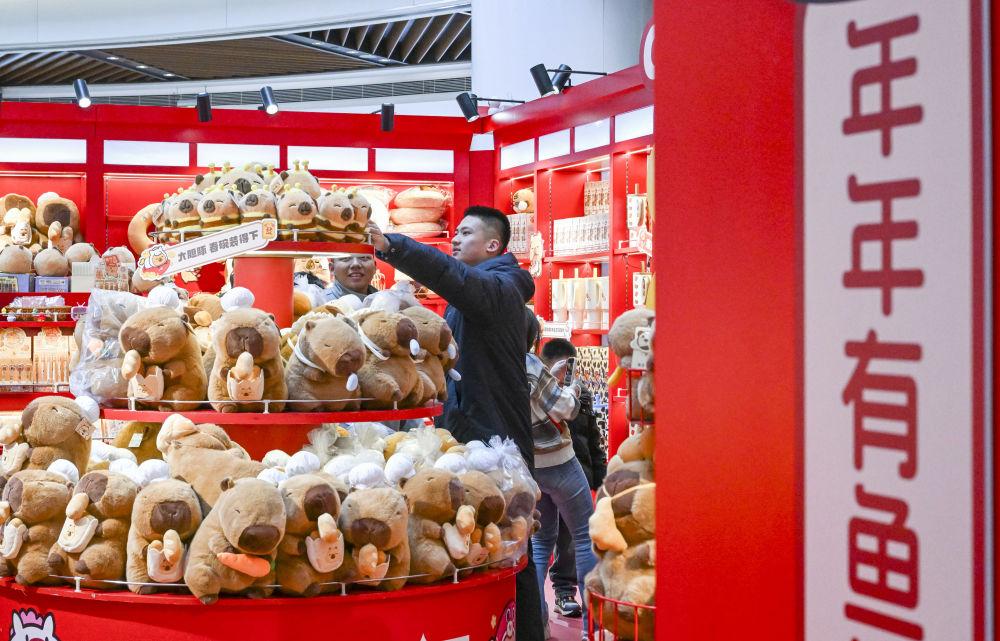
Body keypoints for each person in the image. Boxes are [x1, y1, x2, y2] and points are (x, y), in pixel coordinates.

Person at [368, 206, 544, 641]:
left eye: (466, 233)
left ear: (493, 245)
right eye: (456, 232)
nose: (456, 239)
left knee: (511, 544)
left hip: (495, 439)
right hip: (473, 429)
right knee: (488, 541)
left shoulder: (499, 289)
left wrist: (393, 245)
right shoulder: (486, 291)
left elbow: (454, 277)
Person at [524, 313, 598, 638]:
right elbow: (566, 407)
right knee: (585, 536)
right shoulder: (529, 364)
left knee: (540, 543)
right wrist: (573, 388)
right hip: (559, 460)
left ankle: (538, 625)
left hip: (529, 466)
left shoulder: (499, 363)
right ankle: (591, 628)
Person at [540, 338, 607, 619]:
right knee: (570, 537)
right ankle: (569, 598)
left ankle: (559, 604)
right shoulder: (542, 389)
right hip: (557, 469)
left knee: (566, 538)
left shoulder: (582, 394)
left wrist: (600, 477)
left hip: (569, 469)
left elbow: (593, 437)